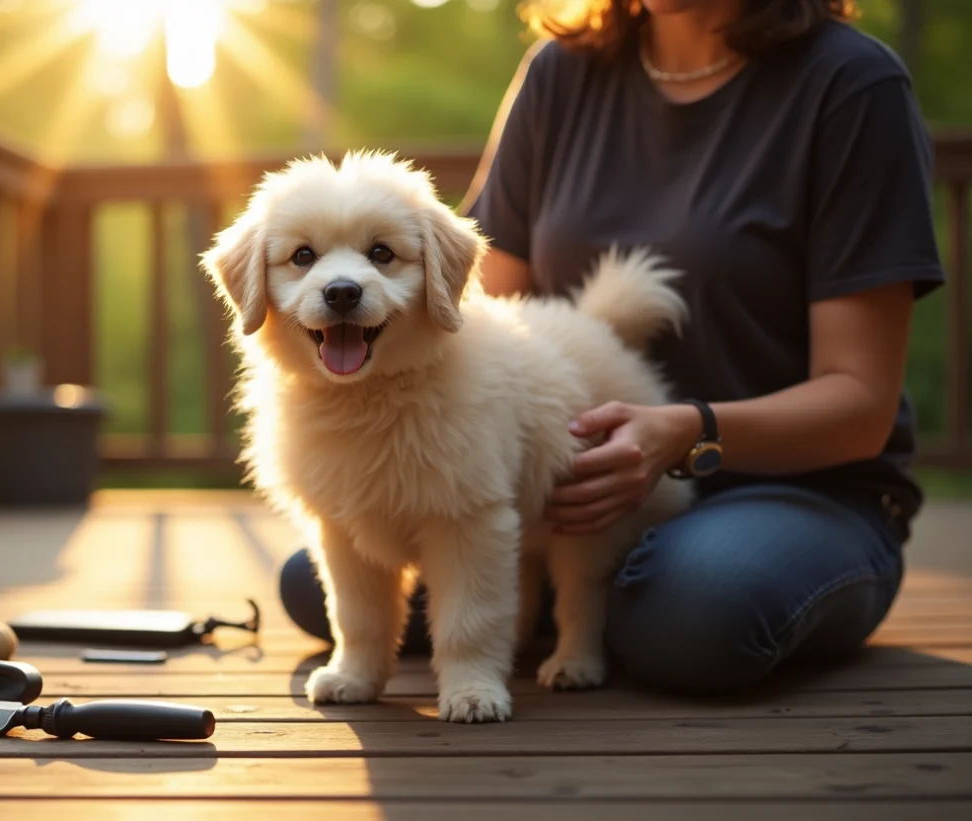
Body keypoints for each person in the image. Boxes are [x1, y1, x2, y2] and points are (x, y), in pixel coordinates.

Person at [277, 0, 946, 696]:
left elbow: (861, 402)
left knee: (696, 607)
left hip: (797, 490)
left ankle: (580, 606)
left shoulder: (852, 84)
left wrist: (687, 430)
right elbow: (471, 314)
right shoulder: (561, 73)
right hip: (571, 488)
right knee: (315, 575)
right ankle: (557, 598)